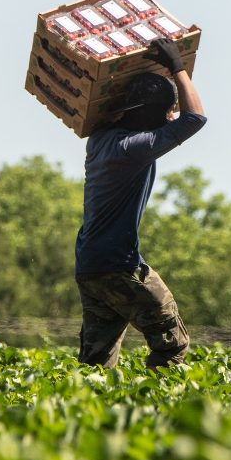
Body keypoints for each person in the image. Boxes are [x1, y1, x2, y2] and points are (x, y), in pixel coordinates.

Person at [74, 38, 207, 369]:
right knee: (172, 343)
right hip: (121, 265)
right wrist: (177, 66)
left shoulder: (101, 138)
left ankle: (89, 415)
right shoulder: (135, 148)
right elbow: (195, 119)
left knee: (96, 361)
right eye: (167, 111)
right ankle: (158, 413)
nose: (171, 116)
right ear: (154, 116)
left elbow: (125, 108)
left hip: (89, 265)